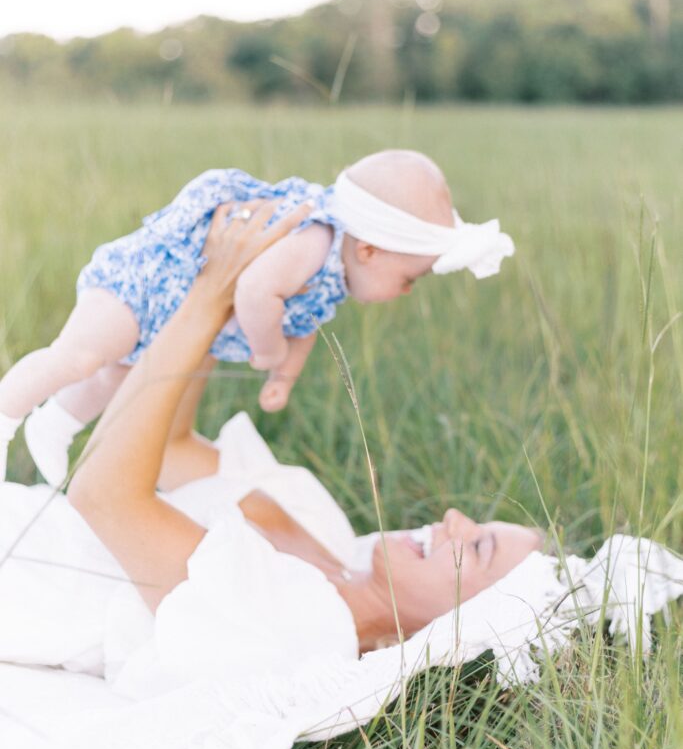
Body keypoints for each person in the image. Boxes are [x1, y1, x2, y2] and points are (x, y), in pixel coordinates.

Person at [0, 201, 538, 690]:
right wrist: (236, 290)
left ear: (457, 629)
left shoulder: (304, 632)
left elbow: (102, 495)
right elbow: (168, 448)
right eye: (477, 523)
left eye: (477, 547)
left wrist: (208, 298)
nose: (452, 519)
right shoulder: (324, 525)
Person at [0, 149, 514, 485]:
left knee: (116, 376)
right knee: (81, 356)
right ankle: (5, 416)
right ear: (371, 251)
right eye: (410, 279)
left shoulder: (331, 279)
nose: (405, 293)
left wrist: (282, 377)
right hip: (144, 283)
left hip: (170, 312)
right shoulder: (314, 240)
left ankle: (56, 426)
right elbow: (255, 289)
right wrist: (267, 350)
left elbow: (303, 327)